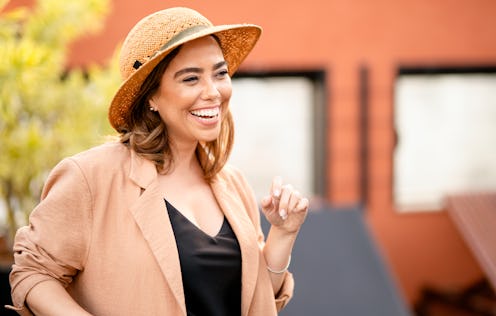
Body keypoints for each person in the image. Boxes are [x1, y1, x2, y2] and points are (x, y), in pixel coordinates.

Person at [8, 7, 308, 316]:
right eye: (190, 78)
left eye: (220, 73)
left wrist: (283, 233)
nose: (213, 92)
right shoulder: (90, 177)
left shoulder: (232, 184)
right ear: (151, 97)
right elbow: (33, 274)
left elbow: (258, 297)